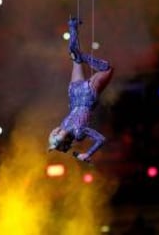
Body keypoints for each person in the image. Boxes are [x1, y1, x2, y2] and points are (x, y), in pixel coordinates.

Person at [48, 16, 114, 163]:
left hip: (86, 96)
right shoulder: (69, 128)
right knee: (76, 60)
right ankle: (72, 26)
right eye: (56, 137)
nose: (55, 133)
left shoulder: (76, 133)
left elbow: (101, 139)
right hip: (74, 94)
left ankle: (80, 54)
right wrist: (86, 153)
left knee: (107, 68)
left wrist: (89, 153)